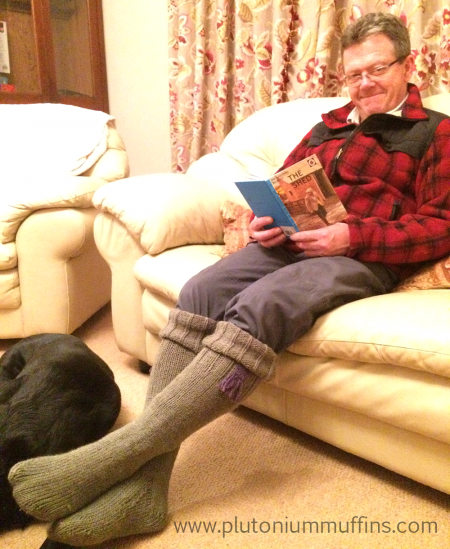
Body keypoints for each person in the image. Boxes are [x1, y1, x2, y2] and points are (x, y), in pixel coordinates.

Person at [8, 12, 450, 547]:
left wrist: (351, 236)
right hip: (290, 241)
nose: (363, 84)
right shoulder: (328, 125)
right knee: (201, 290)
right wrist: (268, 217)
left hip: (359, 254)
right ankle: (148, 487)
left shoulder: (435, 131)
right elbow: (285, 185)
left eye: (376, 69)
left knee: (262, 303)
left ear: (406, 65)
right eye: (352, 74)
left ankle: (113, 457)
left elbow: (440, 223)